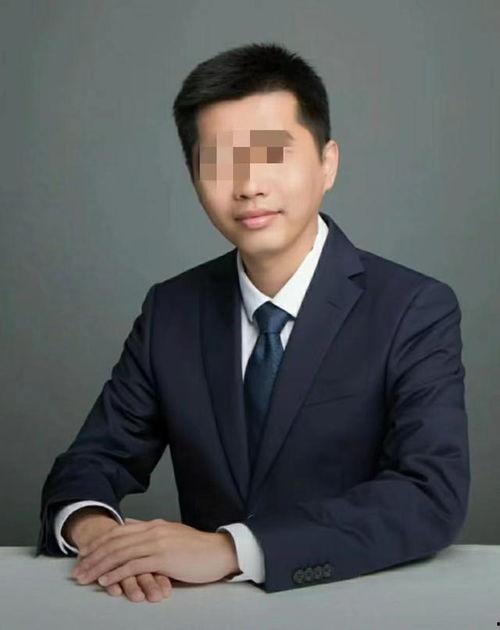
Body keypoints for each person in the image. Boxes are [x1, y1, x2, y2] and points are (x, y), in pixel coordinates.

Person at [36, 42, 470, 601]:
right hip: (205, 611)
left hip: (361, 602)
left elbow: (429, 495)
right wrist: (101, 537)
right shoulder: (172, 309)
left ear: (328, 163)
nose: (247, 186)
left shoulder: (413, 307)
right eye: (218, 162)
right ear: (193, 177)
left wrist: (230, 549)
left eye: (273, 155)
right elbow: (93, 460)